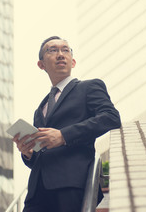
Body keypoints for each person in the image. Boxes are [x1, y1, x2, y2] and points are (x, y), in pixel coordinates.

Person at [13, 36, 121, 212]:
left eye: (65, 50)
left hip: (71, 183)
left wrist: (63, 136)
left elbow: (111, 117)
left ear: (73, 61)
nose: (61, 54)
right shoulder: (40, 108)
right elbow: (40, 157)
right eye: (53, 50)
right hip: (37, 193)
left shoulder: (89, 87)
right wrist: (28, 154)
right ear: (41, 65)